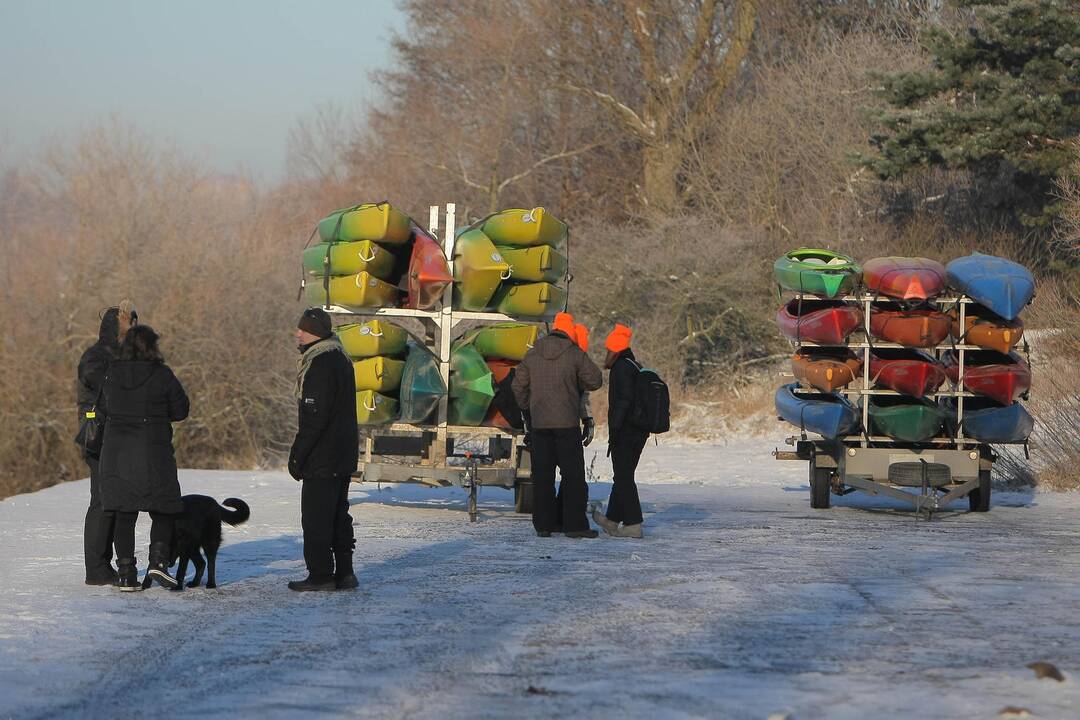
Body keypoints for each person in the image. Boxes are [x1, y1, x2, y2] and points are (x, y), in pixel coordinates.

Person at [99, 324, 189, 590]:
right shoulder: (162, 375)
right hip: (154, 452)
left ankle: (126, 573)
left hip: (117, 454)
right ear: (152, 346)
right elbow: (181, 410)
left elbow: (102, 408)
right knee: (163, 509)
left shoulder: (111, 374)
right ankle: (158, 562)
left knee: (124, 513)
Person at [287, 307, 359, 591]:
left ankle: (320, 575)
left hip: (323, 457)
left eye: (302, 329)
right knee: (339, 514)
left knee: (316, 517)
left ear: (315, 333)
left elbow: (314, 417)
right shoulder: (341, 358)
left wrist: (297, 455)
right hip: (342, 454)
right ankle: (345, 573)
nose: (298, 333)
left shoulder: (320, 364)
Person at [513, 311, 603, 538]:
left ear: (553, 328)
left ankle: (544, 526)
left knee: (542, 477)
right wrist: (575, 382)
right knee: (573, 477)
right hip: (567, 425)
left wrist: (529, 409)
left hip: (540, 425)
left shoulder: (532, 354)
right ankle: (574, 526)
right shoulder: (574, 354)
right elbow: (595, 380)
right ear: (569, 330)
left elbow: (517, 387)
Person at [76, 301, 137, 585]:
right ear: (116, 329)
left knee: (114, 500)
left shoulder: (125, 355)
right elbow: (97, 380)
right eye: (128, 326)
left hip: (119, 436)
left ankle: (107, 565)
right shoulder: (96, 355)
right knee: (101, 501)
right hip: (99, 436)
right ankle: (96, 569)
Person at [593, 324, 647, 538]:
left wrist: (614, 427)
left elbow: (623, 401)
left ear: (614, 349)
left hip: (626, 431)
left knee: (624, 477)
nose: (606, 354)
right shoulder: (634, 365)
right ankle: (613, 520)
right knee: (623, 475)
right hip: (638, 431)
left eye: (608, 350)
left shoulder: (620, 369)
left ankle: (633, 524)